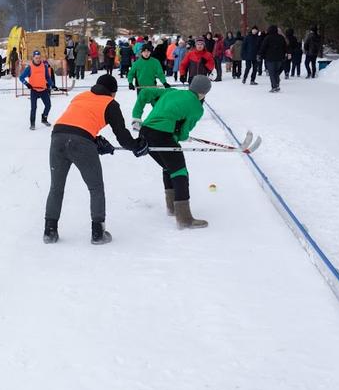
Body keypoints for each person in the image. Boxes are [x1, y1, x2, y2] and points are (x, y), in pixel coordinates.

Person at [44, 74, 149, 245]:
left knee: (56, 187)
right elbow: (122, 136)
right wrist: (137, 146)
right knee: (95, 187)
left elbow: (75, 122)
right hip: (81, 143)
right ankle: (98, 233)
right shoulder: (111, 104)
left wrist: (95, 140)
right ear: (113, 92)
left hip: (57, 137)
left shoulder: (81, 96)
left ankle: (49, 231)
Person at [139, 75, 212, 229]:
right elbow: (184, 132)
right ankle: (184, 219)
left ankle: (172, 208)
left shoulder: (173, 92)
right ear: (204, 93)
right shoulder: (197, 107)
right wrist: (179, 136)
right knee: (180, 172)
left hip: (144, 133)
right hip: (161, 135)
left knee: (169, 167)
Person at [19, 50, 54, 131]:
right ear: (33, 58)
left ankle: (44, 118)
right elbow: (21, 77)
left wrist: (51, 84)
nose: (38, 59)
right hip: (34, 90)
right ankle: (32, 123)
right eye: (36, 58)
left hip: (43, 90)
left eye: (39, 58)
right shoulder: (29, 67)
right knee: (34, 107)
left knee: (48, 105)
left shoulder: (44, 66)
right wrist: (27, 84)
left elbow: (47, 77)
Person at [258, 24, 288, 93]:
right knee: (276, 72)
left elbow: (263, 47)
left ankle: (274, 86)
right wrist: (285, 54)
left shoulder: (268, 38)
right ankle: (277, 84)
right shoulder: (281, 38)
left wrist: (260, 54)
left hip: (270, 58)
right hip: (279, 58)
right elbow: (285, 47)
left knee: (272, 73)